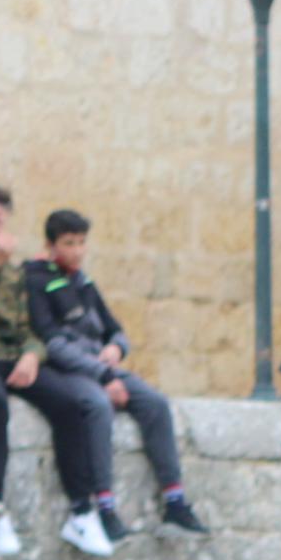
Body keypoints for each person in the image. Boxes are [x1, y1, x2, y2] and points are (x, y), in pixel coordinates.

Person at [0, 185, 116, 558]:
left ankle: (81, 510)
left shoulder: (15, 271)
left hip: (13, 356)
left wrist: (32, 356)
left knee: (69, 405)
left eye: (3, 209)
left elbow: (29, 326)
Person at [29, 210, 208, 537]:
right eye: (69, 244)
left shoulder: (84, 283)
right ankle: (105, 506)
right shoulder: (37, 282)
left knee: (154, 403)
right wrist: (103, 374)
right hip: (72, 371)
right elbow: (52, 344)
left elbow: (116, 330)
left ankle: (175, 502)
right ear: (50, 246)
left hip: (103, 365)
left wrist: (116, 349)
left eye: (82, 243)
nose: (78, 251)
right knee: (98, 406)